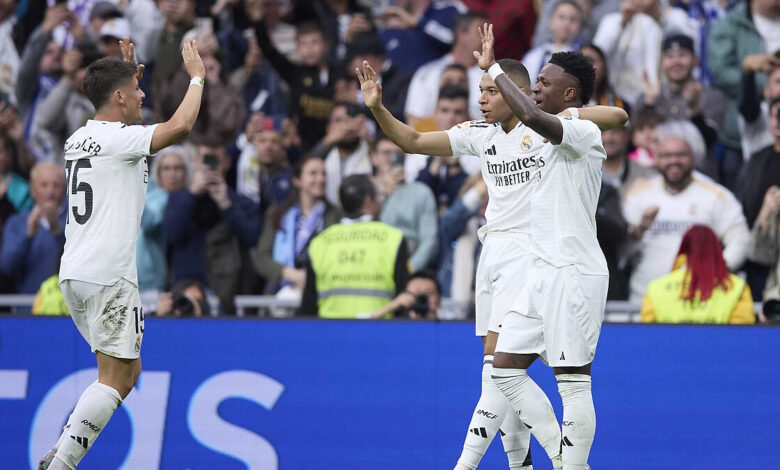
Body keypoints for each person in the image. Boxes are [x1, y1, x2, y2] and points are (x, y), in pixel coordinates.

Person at [356, 22, 627, 469]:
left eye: (491, 90)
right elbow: (413, 141)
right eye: (480, 90)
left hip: (562, 264)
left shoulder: (568, 127)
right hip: (519, 261)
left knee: (571, 382)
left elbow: (614, 116)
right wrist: (378, 108)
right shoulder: (487, 133)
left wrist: (496, 69)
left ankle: (554, 464)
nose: (481, 98)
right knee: (503, 371)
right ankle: (540, 461)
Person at [37, 37, 205, 470]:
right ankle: (62, 463)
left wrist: (127, 69)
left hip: (75, 273)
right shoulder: (120, 140)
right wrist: (197, 78)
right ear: (117, 96)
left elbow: (124, 131)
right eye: (136, 89)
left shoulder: (78, 138)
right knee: (115, 379)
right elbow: (181, 127)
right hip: (110, 275)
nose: (142, 94)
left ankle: (62, 451)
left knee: (128, 374)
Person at [622, 120, 751, 302]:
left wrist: (716, 271)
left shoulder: (716, 194)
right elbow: (620, 252)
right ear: (656, 157)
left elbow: (740, 239)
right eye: (666, 155)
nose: (673, 161)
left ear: (693, 156)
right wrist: (640, 229)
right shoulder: (639, 193)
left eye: (681, 154)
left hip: (699, 303)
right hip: (645, 300)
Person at [298, 174, 410, 318]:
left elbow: (308, 306)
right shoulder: (392, 238)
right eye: (378, 196)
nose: (380, 200)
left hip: (330, 328)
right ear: (368, 201)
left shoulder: (320, 242)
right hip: (379, 327)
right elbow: (403, 299)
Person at [252, 155, 341, 294]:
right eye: (313, 173)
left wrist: (311, 279)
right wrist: (290, 274)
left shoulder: (336, 215)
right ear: (297, 180)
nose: (321, 179)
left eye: (324, 174)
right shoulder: (277, 213)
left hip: (321, 291)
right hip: (280, 293)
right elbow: (262, 257)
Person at [642, 224, 755, 324]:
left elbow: (648, 334)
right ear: (717, 249)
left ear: (684, 249)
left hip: (670, 342)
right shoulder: (736, 287)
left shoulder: (655, 288)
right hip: (717, 342)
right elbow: (741, 334)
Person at [0, 162, 66, 297]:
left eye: (56, 185)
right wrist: (28, 235)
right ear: (32, 189)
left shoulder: (74, 221)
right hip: (27, 306)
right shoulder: (16, 223)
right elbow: (7, 267)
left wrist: (59, 234)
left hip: (64, 305)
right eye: (44, 185)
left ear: (65, 190)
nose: (50, 191)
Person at [521, 0, 583, 87]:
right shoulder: (533, 56)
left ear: (580, 26)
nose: (566, 23)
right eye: (561, 17)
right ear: (550, 21)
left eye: (573, 19)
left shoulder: (581, 61)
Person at [368, 270, 443, 319]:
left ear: (439, 300)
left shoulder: (447, 326)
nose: (420, 299)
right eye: (414, 294)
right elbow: (362, 326)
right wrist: (391, 307)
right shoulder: (395, 328)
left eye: (427, 294)